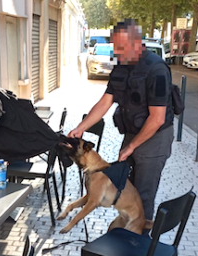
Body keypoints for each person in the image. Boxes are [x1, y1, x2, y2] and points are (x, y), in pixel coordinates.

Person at [69, 19, 174, 225]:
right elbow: (105, 102)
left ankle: (139, 243)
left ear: (136, 43)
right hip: (133, 133)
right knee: (126, 189)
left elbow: (157, 118)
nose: (115, 51)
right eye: (114, 46)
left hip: (155, 137)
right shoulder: (122, 67)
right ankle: (125, 234)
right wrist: (81, 128)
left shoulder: (157, 69)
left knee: (143, 195)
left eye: (120, 47)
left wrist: (132, 146)